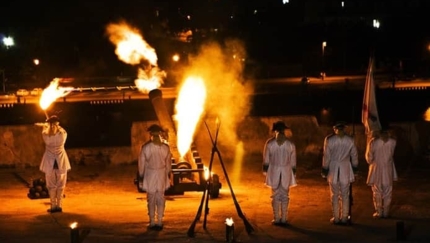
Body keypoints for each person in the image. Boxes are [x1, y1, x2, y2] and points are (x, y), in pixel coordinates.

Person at [321, 121, 358, 225]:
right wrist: (355, 168)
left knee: (334, 194)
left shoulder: (329, 140)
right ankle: (345, 217)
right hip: (345, 168)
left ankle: (336, 217)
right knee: (345, 195)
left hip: (333, 168)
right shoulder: (350, 140)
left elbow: (326, 156)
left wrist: (325, 169)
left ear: (335, 128)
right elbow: (354, 155)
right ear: (344, 128)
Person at [263, 121, 297, 226]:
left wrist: (265, 171)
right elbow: (293, 161)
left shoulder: (270, 143)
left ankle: (277, 218)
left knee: (275, 195)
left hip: (274, 171)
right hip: (286, 171)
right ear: (284, 131)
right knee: (285, 195)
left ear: (275, 131)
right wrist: (293, 173)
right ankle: (284, 218)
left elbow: (266, 160)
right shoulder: (290, 144)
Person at [138, 124, 172, 230]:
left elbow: (141, 164)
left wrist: (141, 175)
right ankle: (160, 222)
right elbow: (168, 164)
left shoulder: (146, 148)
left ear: (150, 134)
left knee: (151, 198)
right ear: (160, 134)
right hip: (161, 174)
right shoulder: (166, 148)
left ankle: (152, 222)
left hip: (150, 175)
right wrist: (168, 175)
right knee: (161, 198)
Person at [39, 115, 71, 213]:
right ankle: (59, 205)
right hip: (61, 162)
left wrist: (46, 126)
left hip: (49, 163)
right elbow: (62, 131)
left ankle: (53, 206)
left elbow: (45, 132)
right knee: (61, 185)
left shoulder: (45, 135)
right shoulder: (63, 134)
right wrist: (56, 126)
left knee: (51, 185)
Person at [365, 128, 398, 219]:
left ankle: (379, 212)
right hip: (388, 169)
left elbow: (369, 157)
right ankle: (386, 212)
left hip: (376, 169)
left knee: (377, 191)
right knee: (388, 191)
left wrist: (371, 161)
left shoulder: (373, 142)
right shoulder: (393, 142)